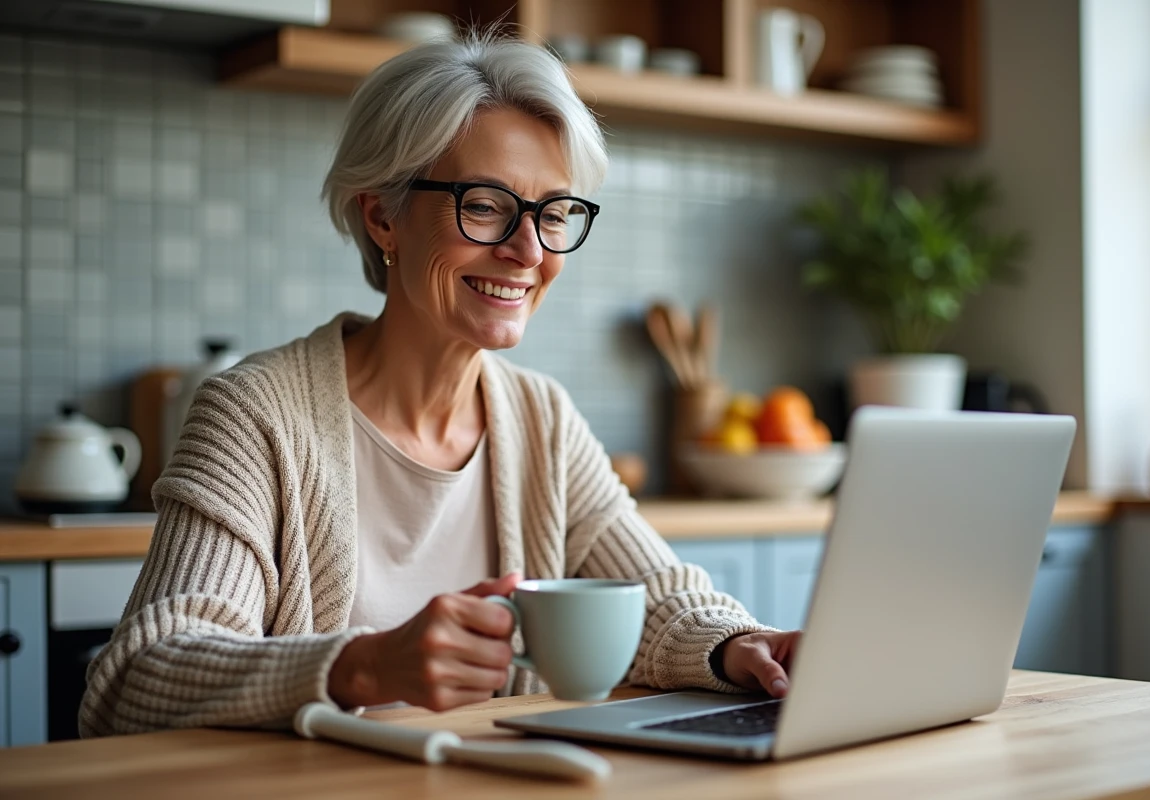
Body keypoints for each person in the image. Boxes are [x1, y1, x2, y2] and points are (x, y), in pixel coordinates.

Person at [80, 32, 800, 737]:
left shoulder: (540, 417)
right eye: (484, 205)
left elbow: (655, 600)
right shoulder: (255, 415)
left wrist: (740, 645)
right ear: (383, 216)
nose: (528, 251)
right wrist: (364, 667)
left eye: (553, 214)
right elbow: (137, 678)